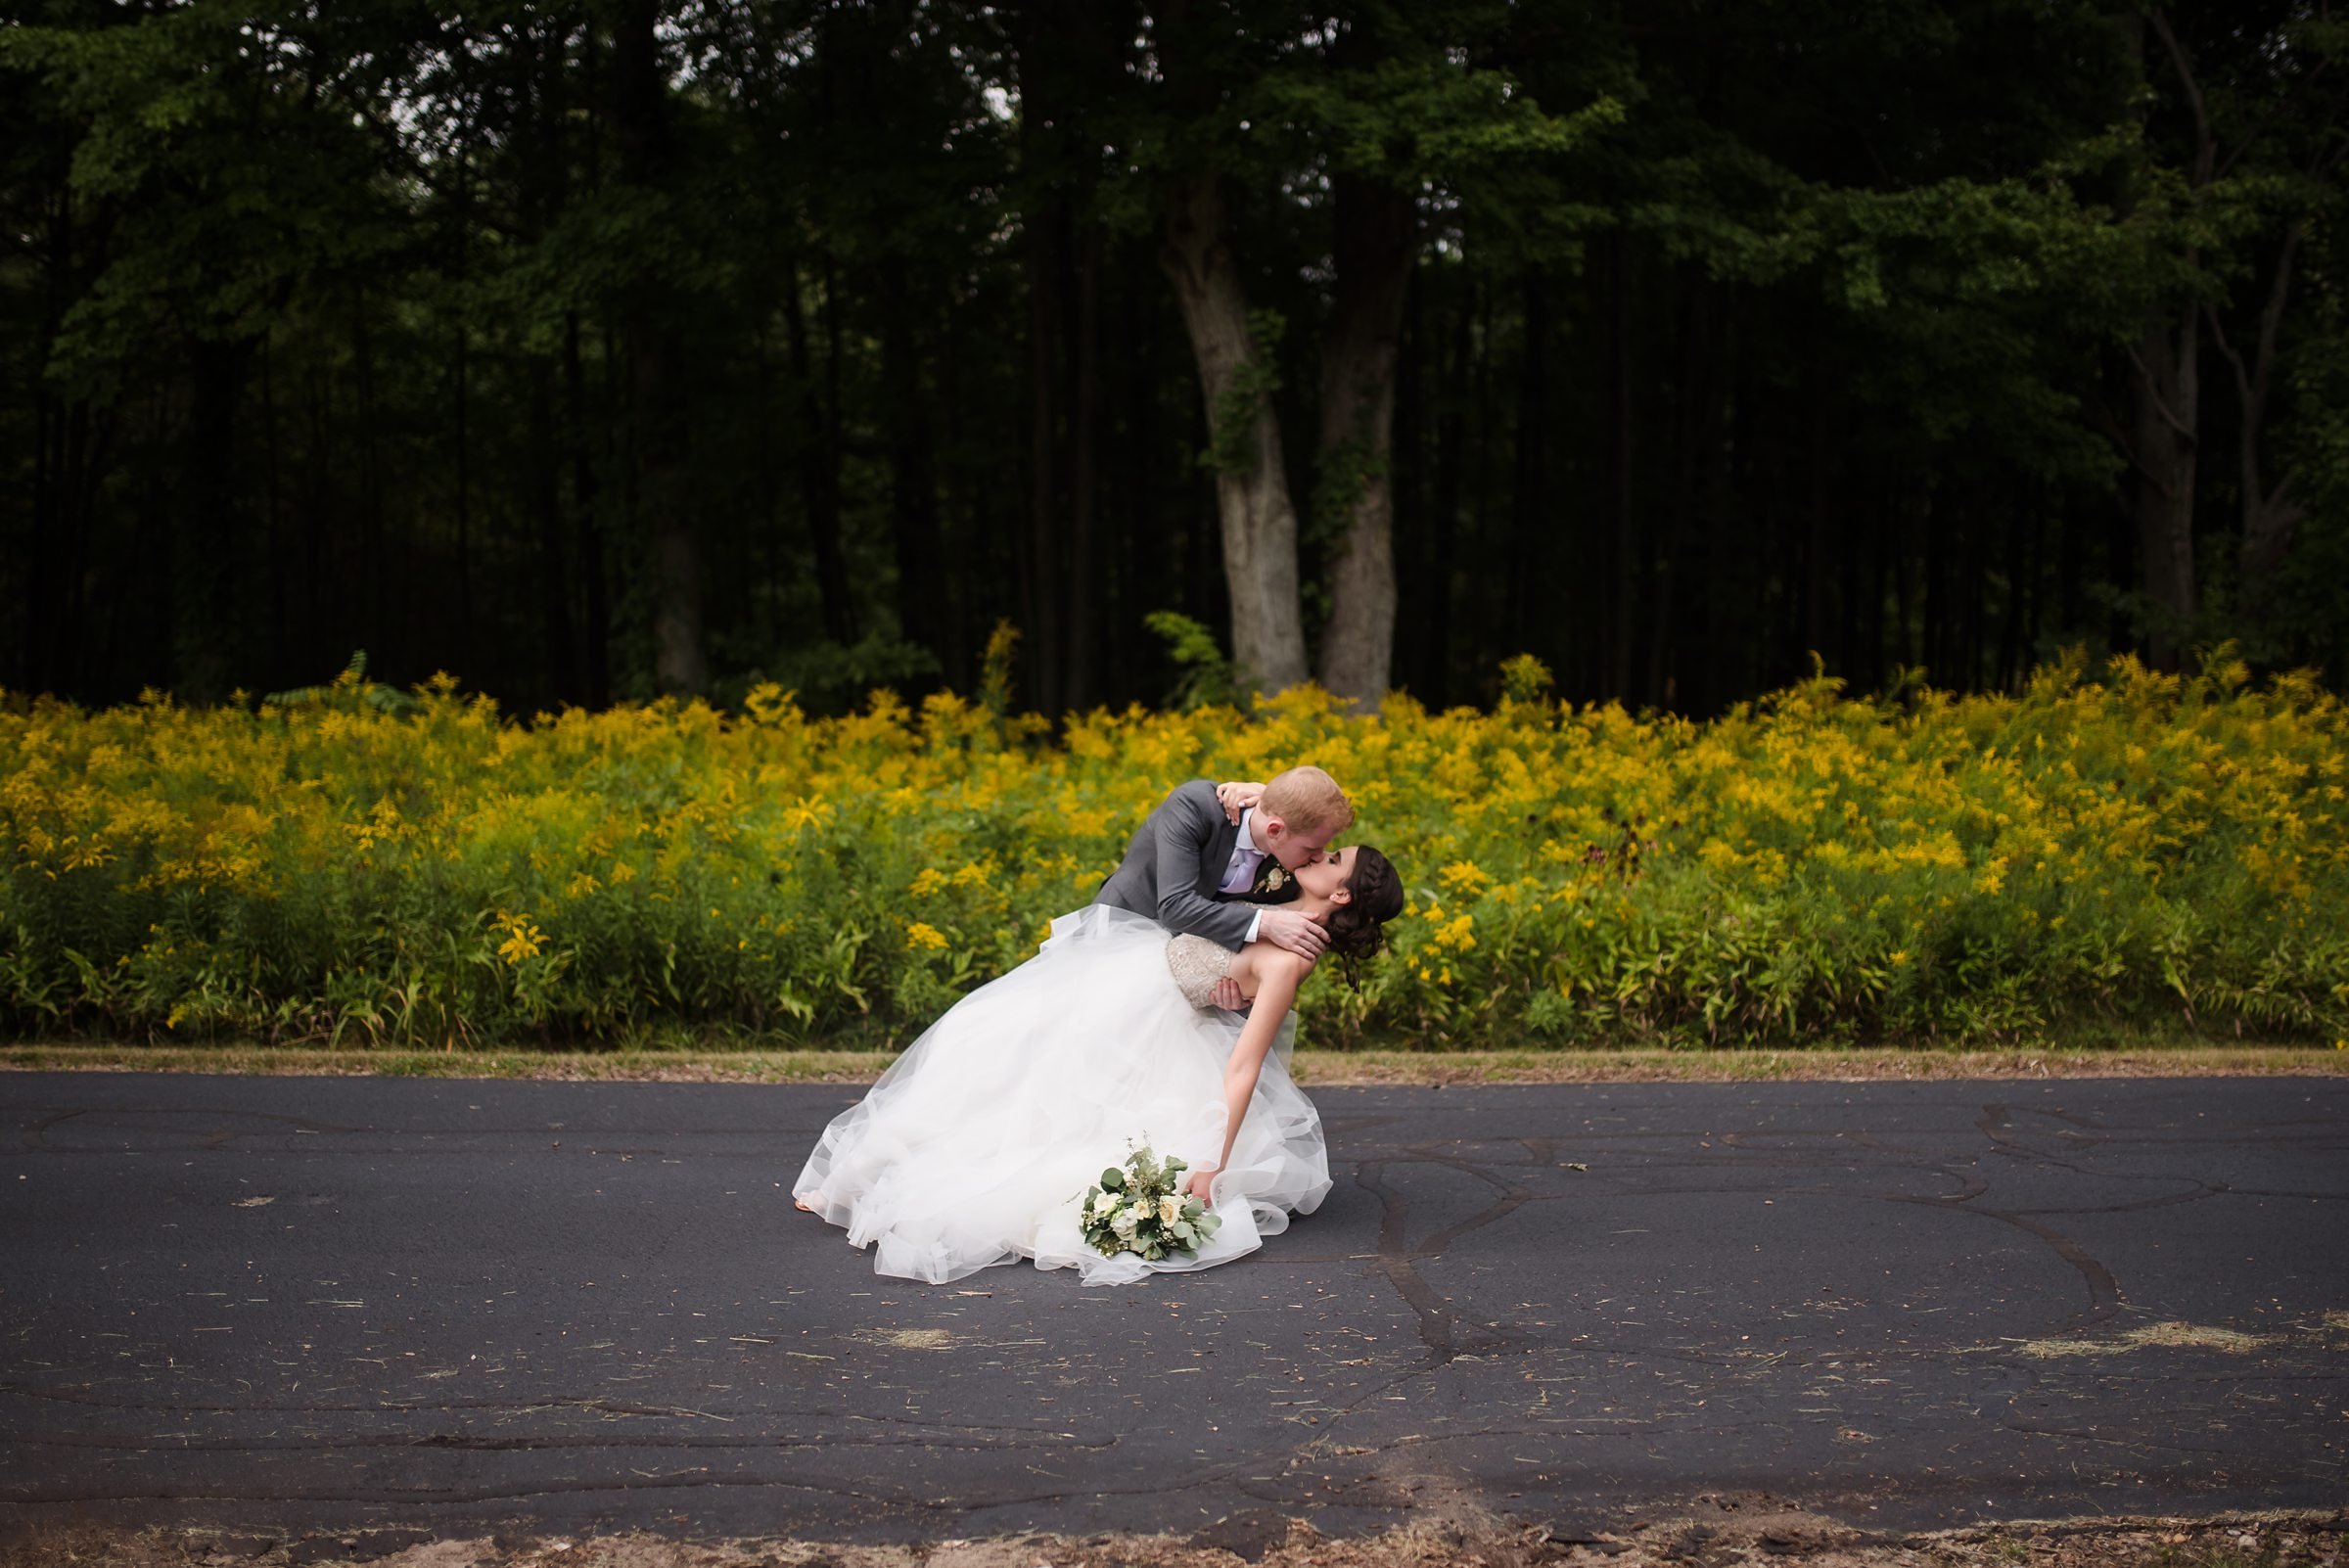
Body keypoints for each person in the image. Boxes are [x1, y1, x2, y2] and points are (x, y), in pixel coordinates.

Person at [792, 837, 1406, 1286]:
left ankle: (870, 1181)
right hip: (1130, 981)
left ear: (1343, 892)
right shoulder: (1279, 899)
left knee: (1021, 1089)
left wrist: (1212, 1163)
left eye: (1331, 861)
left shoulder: (1293, 956)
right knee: (986, 1050)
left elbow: (1246, 1061)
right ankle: (851, 1175)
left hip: (1147, 1014)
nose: (1317, 855)